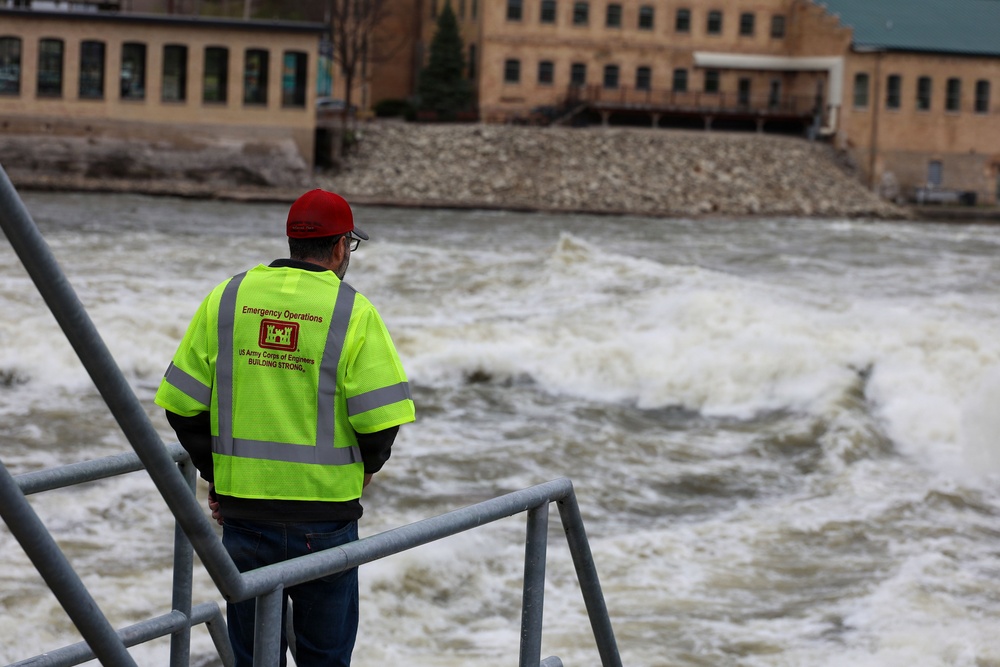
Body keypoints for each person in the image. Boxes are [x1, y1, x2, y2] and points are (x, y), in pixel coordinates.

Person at [154, 189, 415, 667]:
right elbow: (380, 422)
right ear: (340, 248)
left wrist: (216, 472)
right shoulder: (353, 311)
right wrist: (367, 469)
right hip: (326, 519)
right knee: (324, 658)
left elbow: (181, 405)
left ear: (292, 240)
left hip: (244, 517)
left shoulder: (227, 298)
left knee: (255, 658)